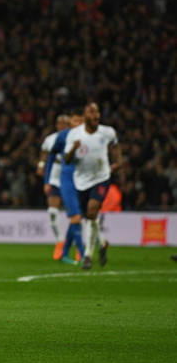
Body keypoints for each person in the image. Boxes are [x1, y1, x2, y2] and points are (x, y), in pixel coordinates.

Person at [64, 102, 122, 270]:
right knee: (89, 216)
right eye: (91, 111)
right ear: (85, 117)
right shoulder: (75, 134)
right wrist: (73, 149)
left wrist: (118, 162)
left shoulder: (108, 132)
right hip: (81, 181)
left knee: (92, 210)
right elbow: (67, 160)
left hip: (101, 177)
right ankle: (102, 243)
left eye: (97, 111)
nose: (95, 114)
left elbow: (116, 145)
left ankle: (88, 255)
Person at [49, 107, 85, 265]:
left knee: (77, 218)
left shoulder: (88, 136)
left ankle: (65, 253)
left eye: (81, 121)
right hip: (67, 180)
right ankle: (83, 255)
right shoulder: (62, 136)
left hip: (83, 180)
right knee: (76, 217)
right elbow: (51, 155)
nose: (79, 123)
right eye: (76, 120)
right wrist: (47, 180)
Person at [37, 114, 70, 260]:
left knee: (76, 214)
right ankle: (60, 242)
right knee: (52, 211)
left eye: (65, 123)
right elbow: (44, 154)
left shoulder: (74, 138)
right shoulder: (50, 139)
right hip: (54, 178)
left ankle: (79, 246)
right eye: (59, 123)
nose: (61, 126)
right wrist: (41, 166)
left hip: (71, 178)